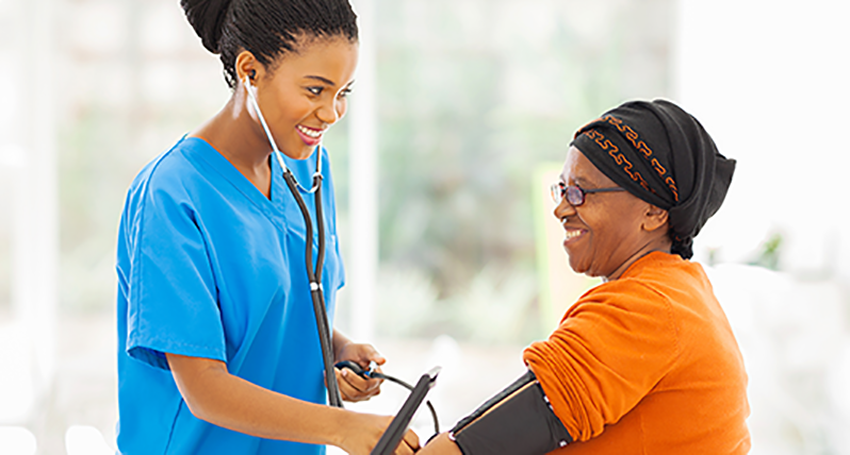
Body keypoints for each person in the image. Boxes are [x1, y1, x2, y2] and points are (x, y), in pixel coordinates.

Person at [114, 1, 418, 454]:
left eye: (343, 93)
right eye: (315, 90)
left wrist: (337, 349)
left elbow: (284, 307)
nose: (332, 113)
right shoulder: (171, 195)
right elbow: (204, 387)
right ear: (250, 70)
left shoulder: (310, 168)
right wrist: (341, 427)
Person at [419, 99, 750, 454]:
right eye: (562, 190)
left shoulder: (648, 308)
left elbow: (472, 448)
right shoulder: (678, 291)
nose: (561, 209)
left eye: (580, 193)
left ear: (654, 211)